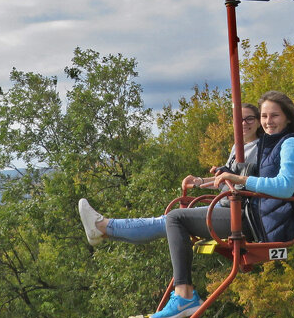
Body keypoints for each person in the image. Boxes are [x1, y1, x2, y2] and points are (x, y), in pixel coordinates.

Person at [125, 90, 294, 318]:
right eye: (264, 116)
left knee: (176, 219)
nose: (268, 122)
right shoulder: (271, 144)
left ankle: (184, 296)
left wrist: (240, 181)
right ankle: (112, 231)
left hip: (261, 223)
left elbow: (284, 187)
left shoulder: (291, 144)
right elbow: (251, 174)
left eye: (274, 116)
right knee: (176, 219)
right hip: (255, 214)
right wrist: (217, 178)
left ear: (288, 117)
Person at [78, 103, 263, 245]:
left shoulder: (259, 149)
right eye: (239, 119)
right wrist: (199, 181)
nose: (243, 123)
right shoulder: (237, 147)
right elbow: (225, 178)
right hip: (226, 205)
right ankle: (104, 230)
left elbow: (240, 180)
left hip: (237, 212)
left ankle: (104, 227)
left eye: (249, 119)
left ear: (258, 121)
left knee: (170, 220)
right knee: (166, 222)